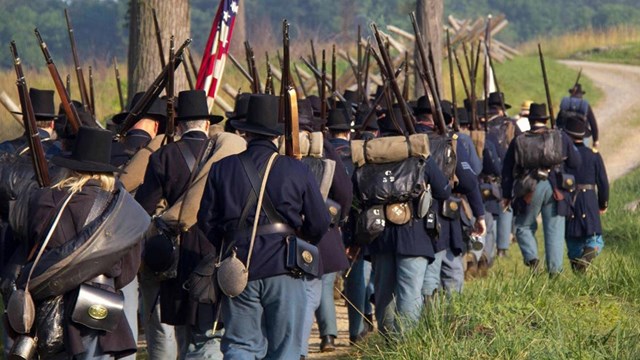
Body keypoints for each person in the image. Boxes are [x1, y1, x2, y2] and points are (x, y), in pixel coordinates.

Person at [197, 94, 330, 359]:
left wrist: (231, 245)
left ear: (245, 131)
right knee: (285, 349)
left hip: (238, 264)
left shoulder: (222, 169)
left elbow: (207, 221)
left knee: (240, 346)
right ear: (276, 135)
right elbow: (320, 221)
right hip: (285, 265)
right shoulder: (296, 169)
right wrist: (301, 241)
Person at [9, 126, 147, 358]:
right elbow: (129, 270)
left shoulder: (43, 200)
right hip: (100, 303)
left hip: (50, 304)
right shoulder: (117, 208)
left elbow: (28, 249)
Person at [135, 90, 223, 359]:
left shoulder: (163, 157)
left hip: (177, 252)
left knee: (185, 327)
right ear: (207, 124)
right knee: (208, 329)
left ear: (179, 125)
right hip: (212, 250)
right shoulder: (223, 157)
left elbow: (143, 208)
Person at [361, 106, 451, 335]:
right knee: (410, 293)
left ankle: (389, 344)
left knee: (383, 294)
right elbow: (443, 191)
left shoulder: (370, 157)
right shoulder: (420, 158)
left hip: (380, 235)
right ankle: (406, 346)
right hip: (415, 236)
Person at [501, 103, 582, 275]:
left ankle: (532, 259)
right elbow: (576, 162)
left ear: (530, 121)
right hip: (555, 188)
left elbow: (507, 170)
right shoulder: (560, 136)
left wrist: (507, 195)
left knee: (522, 226)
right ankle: (555, 272)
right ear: (545, 120)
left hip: (529, 189)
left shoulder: (519, 139)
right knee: (555, 231)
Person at [562, 115, 609, 272]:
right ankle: (588, 256)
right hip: (588, 199)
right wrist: (603, 203)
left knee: (573, 240)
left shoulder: (563, 156)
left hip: (569, 198)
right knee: (595, 240)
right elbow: (603, 183)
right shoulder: (593, 155)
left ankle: (579, 269)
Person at [558, 84, 599, 148]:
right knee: (584, 154)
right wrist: (595, 140)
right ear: (581, 95)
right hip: (582, 135)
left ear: (571, 93)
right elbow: (593, 123)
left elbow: (558, 121)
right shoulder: (585, 105)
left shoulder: (566, 104)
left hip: (567, 134)